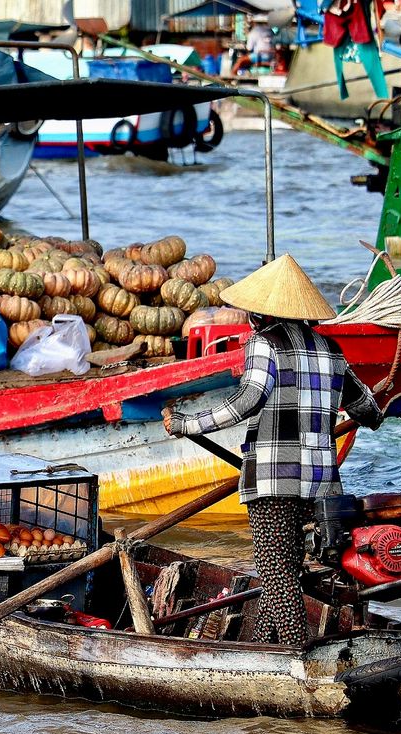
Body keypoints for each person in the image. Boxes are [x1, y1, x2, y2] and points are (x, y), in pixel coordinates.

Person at [161, 254, 384, 646]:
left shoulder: (263, 343)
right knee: (285, 572)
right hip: (320, 484)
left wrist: (186, 424)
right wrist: (378, 408)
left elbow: (247, 401)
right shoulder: (330, 349)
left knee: (278, 576)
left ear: (262, 313)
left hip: (273, 478)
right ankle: (263, 647)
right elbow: (367, 409)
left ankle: (299, 657)